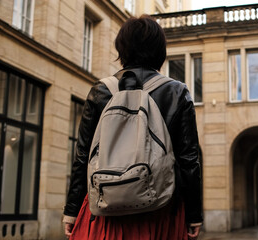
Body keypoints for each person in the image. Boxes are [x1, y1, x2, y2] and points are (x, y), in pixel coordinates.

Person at [63, 15, 203, 240]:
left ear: (122, 50)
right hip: (160, 208)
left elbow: (83, 156)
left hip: (105, 207)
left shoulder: (100, 91)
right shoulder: (177, 92)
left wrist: (71, 210)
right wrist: (194, 214)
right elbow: (189, 160)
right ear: (160, 51)